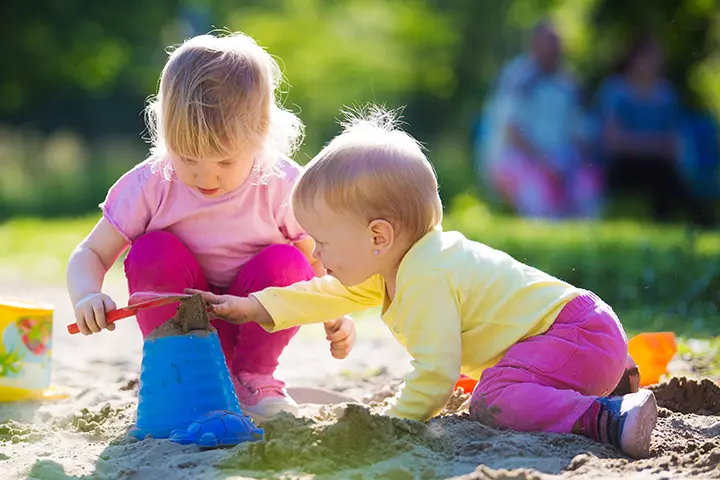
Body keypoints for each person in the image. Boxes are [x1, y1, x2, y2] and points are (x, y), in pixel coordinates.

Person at [190, 106, 658, 459]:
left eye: (324, 241)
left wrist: (391, 423)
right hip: (583, 337)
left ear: (378, 236)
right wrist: (257, 307)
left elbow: (434, 377)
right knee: (496, 382)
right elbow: (328, 294)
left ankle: (605, 417)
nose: (316, 254)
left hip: (576, 335)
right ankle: (610, 380)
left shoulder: (426, 276)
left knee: (492, 395)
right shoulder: (397, 266)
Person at [66, 31, 353, 423]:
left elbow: (319, 261)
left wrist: (337, 310)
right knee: (151, 250)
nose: (206, 176)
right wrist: (86, 296)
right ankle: (178, 371)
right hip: (181, 324)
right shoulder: (151, 183)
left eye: (223, 161)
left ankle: (254, 377)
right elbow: (91, 252)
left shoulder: (282, 185)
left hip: (252, 324)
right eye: (187, 157)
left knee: (287, 261)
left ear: (260, 134)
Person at [484, 21, 602, 219]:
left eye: (556, 44)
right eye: (547, 43)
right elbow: (512, 131)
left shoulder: (569, 83)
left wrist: (567, 163)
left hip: (561, 161)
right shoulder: (517, 77)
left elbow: (581, 132)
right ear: (534, 44)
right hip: (519, 159)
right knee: (538, 195)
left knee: (586, 188)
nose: (552, 50)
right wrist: (545, 163)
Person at [595, 35, 715, 226]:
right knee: (663, 172)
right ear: (635, 58)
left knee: (666, 172)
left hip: (659, 165)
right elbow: (613, 141)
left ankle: (678, 222)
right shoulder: (615, 90)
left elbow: (674, 139)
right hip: (621, 166)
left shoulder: (666, 94)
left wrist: (649, 145)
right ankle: (699, 222)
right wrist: (653, 145)